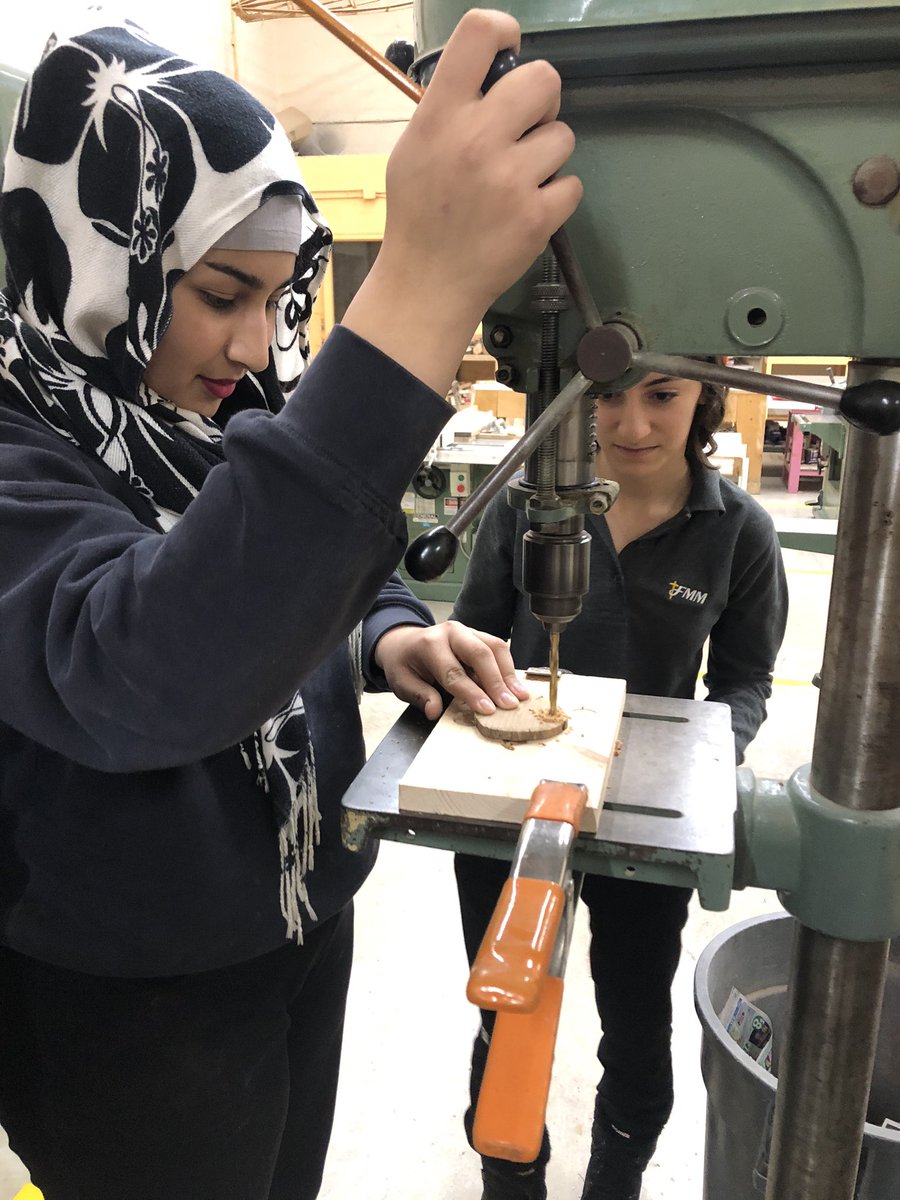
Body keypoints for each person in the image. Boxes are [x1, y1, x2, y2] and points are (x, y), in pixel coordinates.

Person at [0, 8, 582, 1199]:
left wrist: (387, 631)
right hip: (129, 992)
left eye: (280, 296)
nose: (254, 345)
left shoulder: (209, 410)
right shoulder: (18, 445)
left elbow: (278, 574)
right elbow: (142, 666)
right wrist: (420, 288)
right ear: (107, 254)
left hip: (300, 917)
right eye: (220, 293)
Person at [452, 370, 788, 1200]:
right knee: (505, 1010)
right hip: (514, 808)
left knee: (636, 1026)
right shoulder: (524, 506)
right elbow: (476, 634)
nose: (629, 423)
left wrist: (697, 768)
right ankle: (510, 1171)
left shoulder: (738, 531)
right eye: (605, 396)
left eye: (662, 396)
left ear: (704, 397)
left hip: (644, 828)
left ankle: (617, 1175)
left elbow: (744, 683)